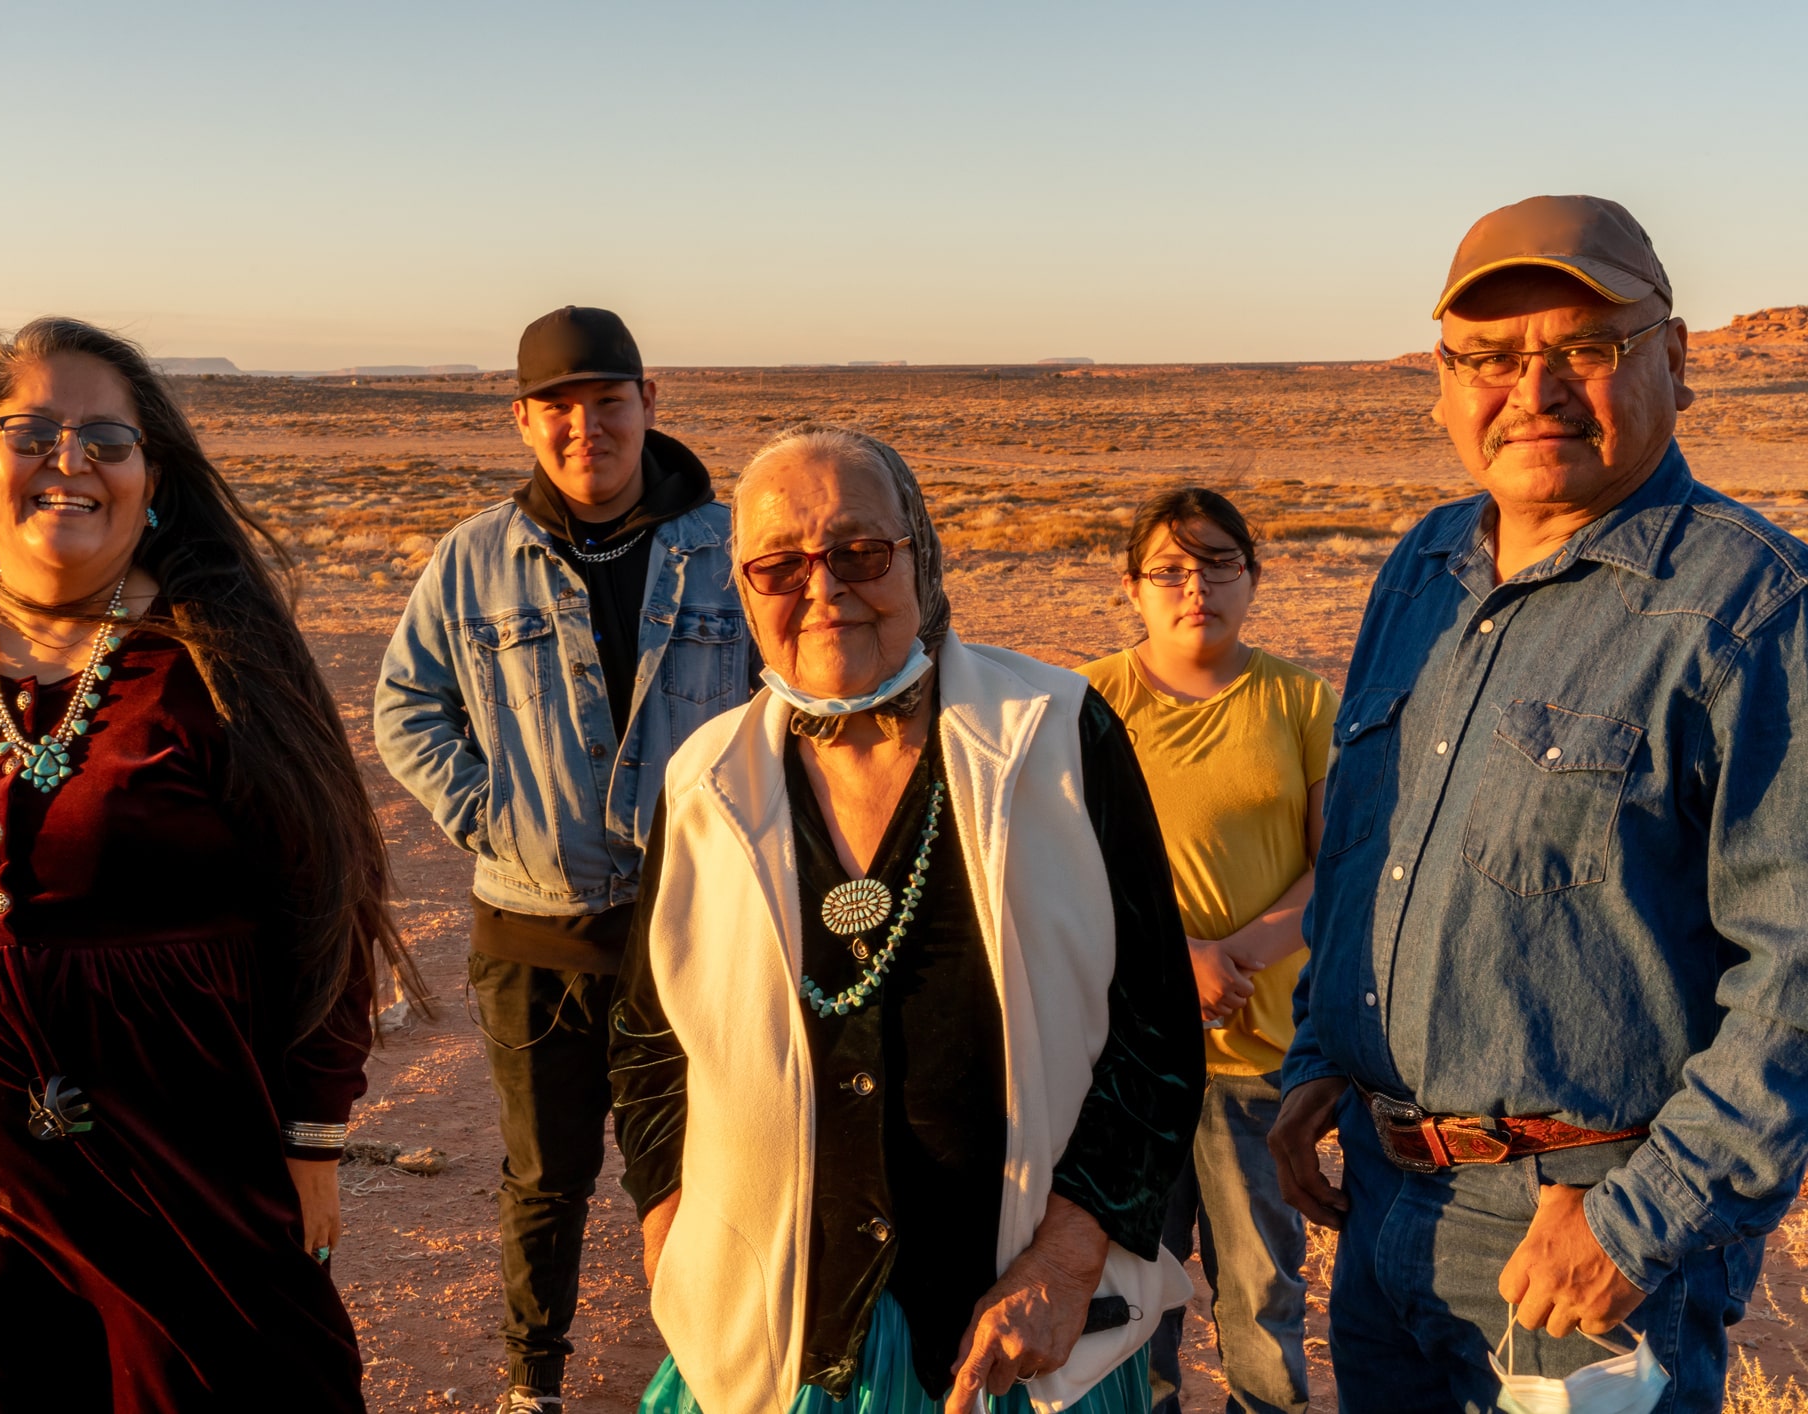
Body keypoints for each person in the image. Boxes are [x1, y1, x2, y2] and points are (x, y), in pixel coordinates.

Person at [0, 316, 423, 1410]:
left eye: (108, 439)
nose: (71, 461)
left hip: (184, 1124)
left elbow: (327, 892)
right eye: (31, 434)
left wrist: (312, 1132)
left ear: (153, 482)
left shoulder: (219, 654)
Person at [1271, 194, 1808, 1411]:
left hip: (1581, 1241)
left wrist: (1639, 1220)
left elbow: (1796, 973)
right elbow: (1364, 851)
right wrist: (1318, 1053)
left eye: (1585, 347)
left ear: (1674, 358)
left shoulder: (1753, 610)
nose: (1533, 390)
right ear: (1440, 382)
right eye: (1488, 358)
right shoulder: (1419, 571)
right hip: (1382, 1204)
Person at [609, 423, 1205, 1414]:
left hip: (1021, 1340)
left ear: (921, 556)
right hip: (773, 1345)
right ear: (744, 591)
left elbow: (1156, 1030)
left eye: (858, 551)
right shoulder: (704, 781)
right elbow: (648, 1036)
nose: (823, 589)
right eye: (779, 566)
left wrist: (1066, 1258)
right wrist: (668, 1224)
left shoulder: (1057, 734)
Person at [374, 306, 754, 1414]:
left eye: (606, 400)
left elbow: (785, 698)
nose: (585, 425)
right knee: (546, 1176)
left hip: (694, 925)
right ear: (523, 419)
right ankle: (531, 1380)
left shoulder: (728, 546)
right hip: (534, 929)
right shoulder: (474, 559)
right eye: (558, 406)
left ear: (649, 402)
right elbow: (406, 707)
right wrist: (492, 816)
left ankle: (707, 1371)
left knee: (698, 1171)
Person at [1082, 489, 1331, 1414]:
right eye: (1171, 570)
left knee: (1262, 1293)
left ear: (1253, 577)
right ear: (1132, 588)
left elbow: (1336, 866)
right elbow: (1056, 868)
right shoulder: (1084, 702)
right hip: (1124, 1062)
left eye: (1221, 564)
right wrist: (1177, 958)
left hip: (1258, 1057)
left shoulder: (1302, 701)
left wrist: (1235, 957)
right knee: (1128, 1299)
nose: (1197, 588)